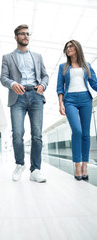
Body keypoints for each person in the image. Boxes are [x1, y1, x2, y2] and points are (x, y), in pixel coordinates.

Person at [0, 24, 49, 183]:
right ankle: (20, 164)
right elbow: (3, 77)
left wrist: (43, 85)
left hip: (36, 95)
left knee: (37, 135)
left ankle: (35, 170)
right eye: (22, 34)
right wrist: (13, 84)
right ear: (16, 37)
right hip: (17, 96)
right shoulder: (7, 57)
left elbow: (45, 76)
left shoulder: (37, 56)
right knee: (18, 134)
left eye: (28, 34)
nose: (26, 36)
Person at [57, 40, 97, 181]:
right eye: (66, 47)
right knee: (77, 131)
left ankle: (85, 165)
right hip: (70, 101)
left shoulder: (87, 66)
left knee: (86, 134)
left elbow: (94, 83)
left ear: (77, 48)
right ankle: (77, 165)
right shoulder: (63, 67)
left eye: (71, 46)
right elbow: (60, 87)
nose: (68, 49)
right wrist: (61, 103)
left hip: (86, 99)